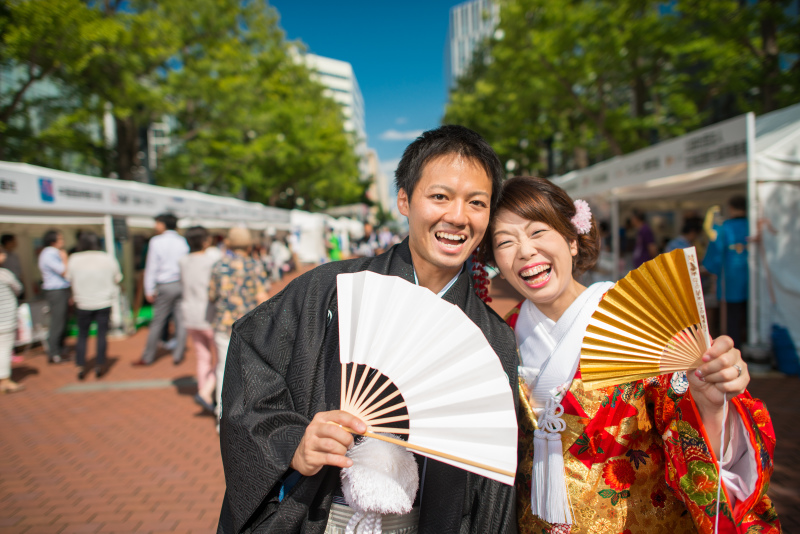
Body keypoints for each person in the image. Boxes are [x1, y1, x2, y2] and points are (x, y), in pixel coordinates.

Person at [216, 125, 519, 534]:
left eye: (476, 203)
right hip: (324, 516)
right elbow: (254, 359)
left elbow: (491, 489)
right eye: (440, 196)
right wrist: (293, 442)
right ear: (404, 200)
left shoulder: (493, 338)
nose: (458, 217)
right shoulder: (329, 290)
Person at [484, 177, 778, 533]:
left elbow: (687, 432)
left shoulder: (638, 320)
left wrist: (712, 405)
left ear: (573, 241)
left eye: (537, 232)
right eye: (505, 241)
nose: (525, 251)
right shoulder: (500, 335)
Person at [208, 227, 270, 426]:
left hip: (224, 323)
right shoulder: (255, 266)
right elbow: (263, 297)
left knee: (223, 369)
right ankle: (248, 414)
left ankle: (222, 416)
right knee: (250, 369)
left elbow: (211, 295)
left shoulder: (219, 265)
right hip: (249, 325)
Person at [133, 214, 189, 366]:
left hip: (165, 285)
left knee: (158, 321)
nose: (155, 226)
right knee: (180, 321)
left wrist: (149, 289)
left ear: (163, 224)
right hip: (180, 283)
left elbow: (152, 266)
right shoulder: (182, 241)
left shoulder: (156, 241)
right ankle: (178, 354)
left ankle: (148, 356)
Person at [66, 232, 122, 380]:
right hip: (104, 301)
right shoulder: (107, 258)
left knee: (82, 335)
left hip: (83, 302)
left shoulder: (74, 259)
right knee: (101, 334)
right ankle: (100, 364)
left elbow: (68, 278)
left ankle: (80, 365)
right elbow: (117, 278)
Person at [179, 226, 219, 413]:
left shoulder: (183, 261)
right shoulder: (212, 261)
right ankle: (207, 392)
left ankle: (204, 392)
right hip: (209, 314)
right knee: (221, 359)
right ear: (205, 241)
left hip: (189, 314)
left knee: (202, 357)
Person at [703, 196, 749, 350]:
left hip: (730, 281)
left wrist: (710, 269)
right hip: (753, 280)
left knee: (732, 320)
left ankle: (734, 351)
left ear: (731, 208)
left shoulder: (724, 228)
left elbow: (714, 257)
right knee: (751, 318)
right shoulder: (753, 225)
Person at [38, 229, 71, 364]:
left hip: (60, 290)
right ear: (53, 241)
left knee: (62, 320)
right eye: (60, 239)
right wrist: (65, 259)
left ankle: (60, 350)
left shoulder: (51, 253)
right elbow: (64, 271)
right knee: (57, 321)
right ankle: (54, 353)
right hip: (56, 291)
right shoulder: (49, 254)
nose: (62, 242)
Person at [0, 248, 24, 393]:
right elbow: (18, 288)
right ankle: (5, 380)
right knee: (4, 349)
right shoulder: (5, 274)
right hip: (5, 319)